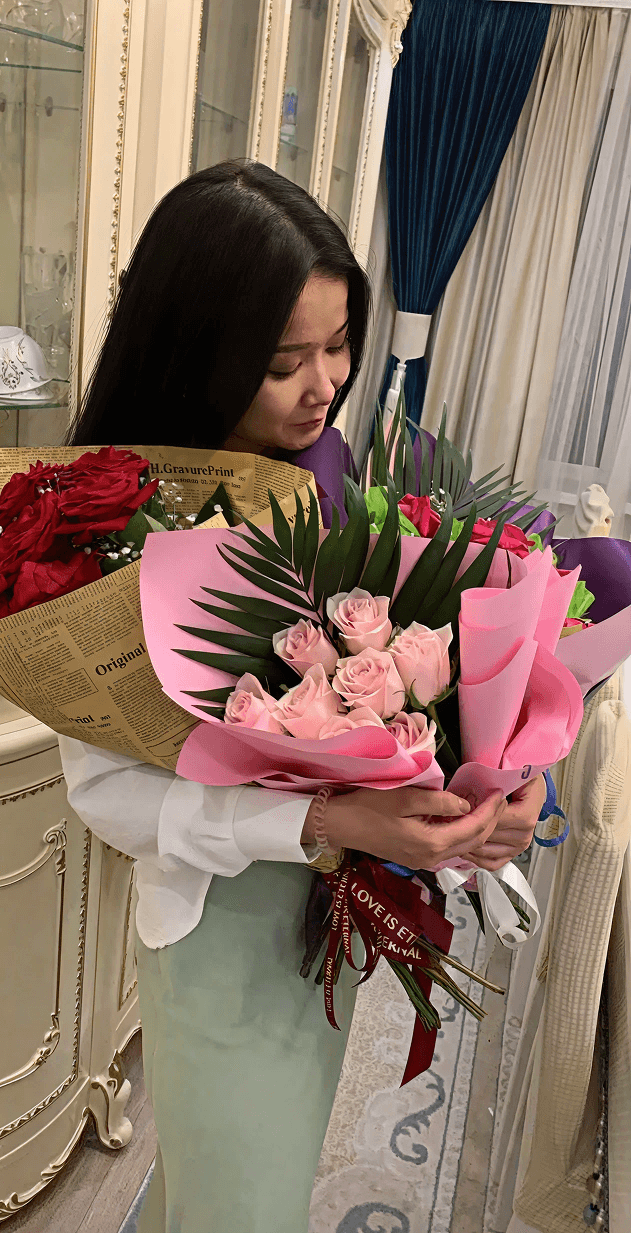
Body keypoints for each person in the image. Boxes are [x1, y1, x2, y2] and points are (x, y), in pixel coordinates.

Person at [59, 160, 545, 1233]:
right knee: (239, 1199)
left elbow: (444, 677)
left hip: (328, 917)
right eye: (284, 359)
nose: (323, 382)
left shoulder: (336, 477)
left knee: (240, 1189)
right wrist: (330, 818)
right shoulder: (123, 527)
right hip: (218, 932)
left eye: (337, 346)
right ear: (198, 350)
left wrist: (492, 786)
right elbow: (107, 798)